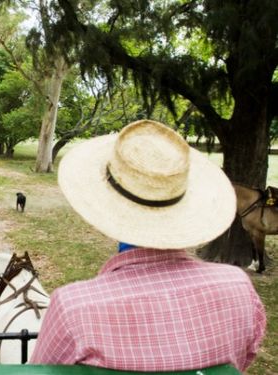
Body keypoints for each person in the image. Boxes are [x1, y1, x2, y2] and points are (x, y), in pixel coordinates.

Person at [31, 120, 266, 372]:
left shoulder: (73, 306)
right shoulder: (239, 287)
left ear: (108, 206)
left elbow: (40, 372)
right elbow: (243, 360)